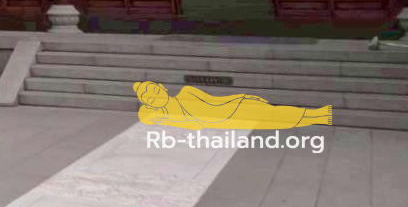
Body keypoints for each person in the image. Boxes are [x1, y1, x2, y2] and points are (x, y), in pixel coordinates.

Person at [134, 80, 332, 130]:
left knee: (272, 112)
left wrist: (242, 97)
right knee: (273, 122)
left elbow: (216, 101)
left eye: (155, 91)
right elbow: (194, 125)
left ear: (162, 87)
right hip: (223, 122)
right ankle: (316, 117)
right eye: (149, 98)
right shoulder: (167, 115)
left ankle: (317, 114)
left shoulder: (187, 92)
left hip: (230, 109)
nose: (154, 97)